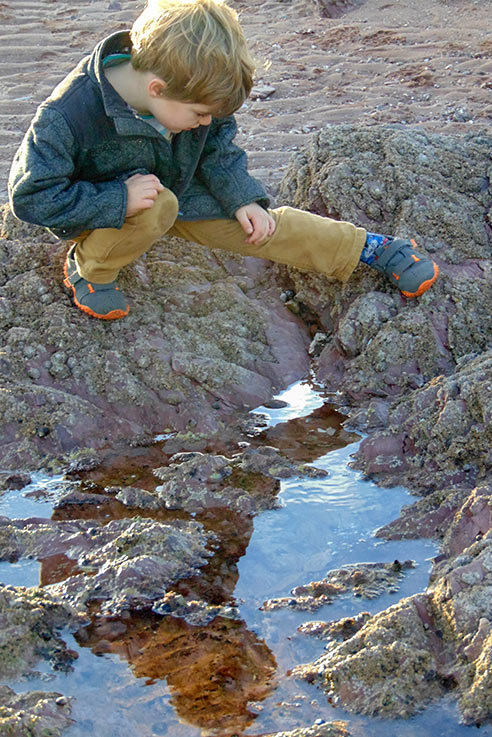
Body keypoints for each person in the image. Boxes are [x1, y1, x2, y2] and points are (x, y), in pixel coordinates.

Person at [8, 0, 439, 321]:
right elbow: (31, 198)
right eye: (200, 114)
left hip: (176, 185)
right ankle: (89, 271)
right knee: (157, 206)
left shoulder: (188, 94)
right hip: (104, 211)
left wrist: (240, 198)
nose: (207, 122)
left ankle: (369, 248)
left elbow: (217, 145)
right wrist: (117, 199)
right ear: (157, 89)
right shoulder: (65, 117)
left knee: (260, 224)